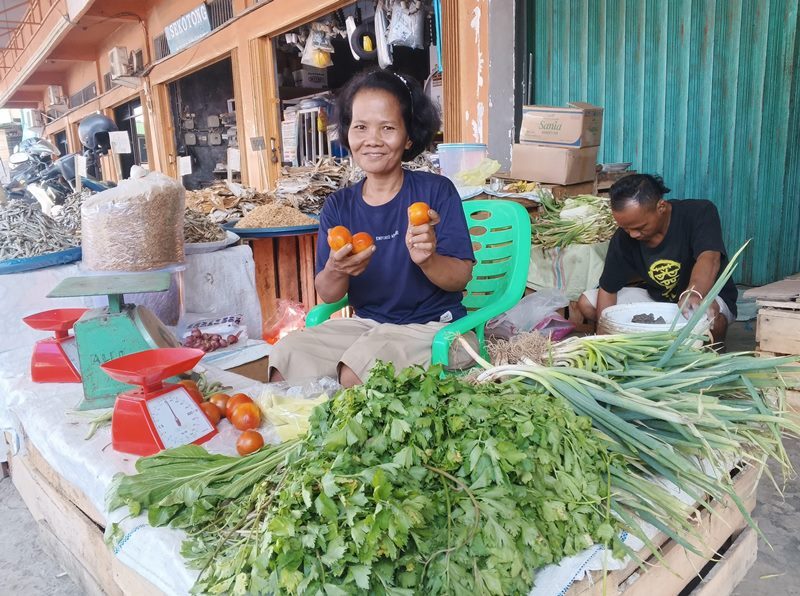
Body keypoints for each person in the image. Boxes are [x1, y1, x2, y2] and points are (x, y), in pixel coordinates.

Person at [268, 70, 476, 387]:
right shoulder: (338, 206)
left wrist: (428, 259)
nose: (373, 140)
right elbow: (328, 294)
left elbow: (460, 278)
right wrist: (337, 269)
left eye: (388, 128)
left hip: (435, 327)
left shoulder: (436, 191)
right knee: (286, 359)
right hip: (367, 326)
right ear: (348, 134)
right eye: (361, 127)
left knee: (357, 372)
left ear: (408, 136)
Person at [577, 174, 737, 342]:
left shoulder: (699, 213)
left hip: (703, 293)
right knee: (587, 303)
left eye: (640, 227)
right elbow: (608, 289)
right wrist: (604, 339)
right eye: (626, 229)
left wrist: (693, 293)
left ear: (661, 206)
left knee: (706, 315)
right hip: (659, 299)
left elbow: (709, 258)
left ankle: (711, 354)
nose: (632, 234)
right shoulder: (624, 237)